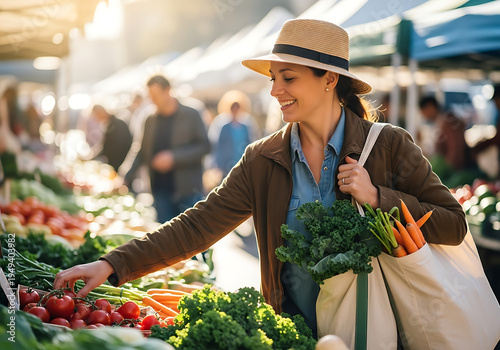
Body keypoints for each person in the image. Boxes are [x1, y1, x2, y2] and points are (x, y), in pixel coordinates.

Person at [54, 19, 466, 337]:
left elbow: (453, 223)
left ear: (329, 79)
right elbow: (198, 225)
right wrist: (113, 263)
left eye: (289, 78)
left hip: (373, 333)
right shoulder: (262, 158)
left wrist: (378, 197)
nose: (274, 91)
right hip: (293, 333)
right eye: (273, 78)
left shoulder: (390, 145)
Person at [124, 75, 210, 222]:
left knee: (192, 240)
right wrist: (125, 176)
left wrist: (174, 158)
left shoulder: (191, 114)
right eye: (150, 96)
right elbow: (140, 151)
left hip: (188, 192)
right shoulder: (150, 119)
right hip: (160, 192)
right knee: (165, 240)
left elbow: (204, 146)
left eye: (156, 95)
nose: (152, 100)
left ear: (168, 91)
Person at [91, 104, 133, 172]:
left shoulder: (116, 124)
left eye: (97, 116)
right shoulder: (111, 123)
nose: (97, 119)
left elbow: (115, 147)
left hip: (120, 165)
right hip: (117, 165)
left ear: (101, 112)